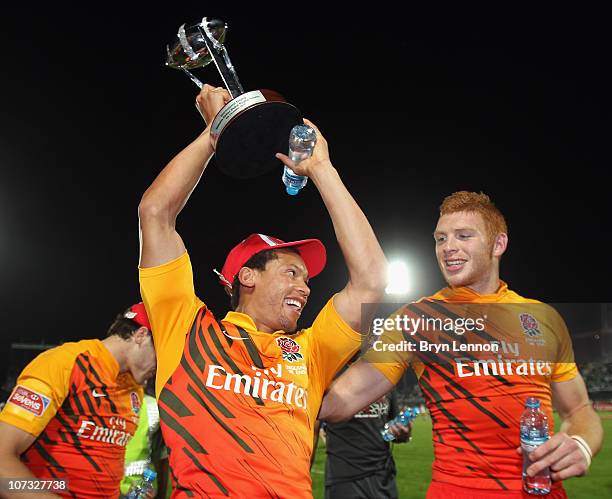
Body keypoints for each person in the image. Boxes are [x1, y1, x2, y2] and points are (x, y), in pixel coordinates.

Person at [138, 85, 387, 497]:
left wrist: (323, 169)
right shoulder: (184, 330)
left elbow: (372, 280)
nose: (304, 288)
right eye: (292, 273)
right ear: (247, 277)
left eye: (306, 279)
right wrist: (215, 133)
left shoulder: (311, 351)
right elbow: (155, 213)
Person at [319, 191, 604, 498]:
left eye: (463, 236)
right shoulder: (417, 320)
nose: (448, 247)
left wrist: (581, 444)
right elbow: (341, 400)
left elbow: (580, 411)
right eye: (440, 239)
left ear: (498, 244)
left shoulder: (543, 318)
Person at [0, 303, 157, 499]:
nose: (162, 365)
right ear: (141, 335)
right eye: (162, 353)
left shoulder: (134, 389)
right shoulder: (65, 363)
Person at [322, 358, 410, 499]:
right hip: (345, 477)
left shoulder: (385, 375)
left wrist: (403, 433)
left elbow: (394, 426)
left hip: (383, 477)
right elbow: (312, 428)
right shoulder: (330, 372)